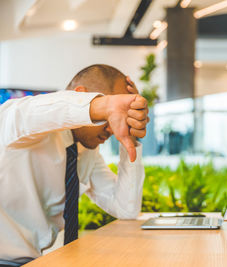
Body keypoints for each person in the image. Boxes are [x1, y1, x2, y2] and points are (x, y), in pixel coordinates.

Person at [0, 64, 149, 266]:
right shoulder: (23, 126)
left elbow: (126, 209)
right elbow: (24, 112)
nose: (112, 127)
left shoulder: (86, 153)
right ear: (80, 95)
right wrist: (103, 107)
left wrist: (128, 138)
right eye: (113, 114)